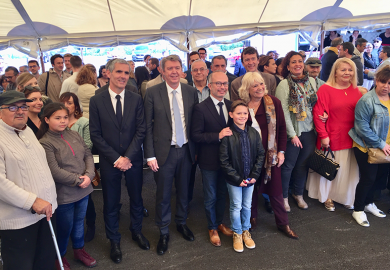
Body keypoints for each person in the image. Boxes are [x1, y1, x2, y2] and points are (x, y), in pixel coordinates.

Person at [90, 58, 148, 263]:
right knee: (111, 202)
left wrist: (128, 157)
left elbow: (141, 130)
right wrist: (116, 159)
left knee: (137, 198)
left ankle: (136, 231)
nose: (124, 76)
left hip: (132, 159)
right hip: (109, 161)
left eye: (127, 72)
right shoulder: (96, 100)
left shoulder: (135, 98)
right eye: (119, 72)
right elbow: (95, 134)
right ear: (108, 73)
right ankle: (114, 240)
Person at [144, 55, 199, 255]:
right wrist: (149, 155)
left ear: (182, 70)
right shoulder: (151, 92)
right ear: (162, 71)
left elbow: (194, 123)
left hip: (186, 151)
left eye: (177, 68)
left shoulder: (191, 92)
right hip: (162, 153)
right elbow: (147, 126)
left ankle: (181, 222)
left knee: (184, 190)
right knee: (163, 193)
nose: (174, 72)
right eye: (170, 68)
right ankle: (164, 230)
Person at [0, 91, 58, 270]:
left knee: (45, 262)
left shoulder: (28, 131)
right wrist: (32, 201)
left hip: (46, 213)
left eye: (23, 106)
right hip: (19, 222)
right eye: (12, 107)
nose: (20, 111)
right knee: (21, 265)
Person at [238, 72, 299, 239]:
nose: (259, 88)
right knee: (250, 188)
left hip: (270, 155)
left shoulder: (274, 103)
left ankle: (283, 223)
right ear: (247, 89)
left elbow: (281, 128)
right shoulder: (241, 106)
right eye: (255, 85)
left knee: (276, 190)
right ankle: (252, 218)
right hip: (248, 155)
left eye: (261, 84)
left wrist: (281, 152)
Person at [38, 103, 96, 269]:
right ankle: (60, 256)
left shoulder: (74, 134)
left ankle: (79, 250)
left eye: (65, 117)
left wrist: (89, 175)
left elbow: (88, 154)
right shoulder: (45, 142)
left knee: (79, 223)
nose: (63, 121)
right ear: (47, 120)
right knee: (64, 227)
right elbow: (54, 171)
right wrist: (79, 180)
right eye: (58, 118)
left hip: (84, 189)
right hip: (64, 194)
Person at [306, 58, 361, 211]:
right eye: (343, 70)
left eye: (350, 70)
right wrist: (323, 135)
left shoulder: (356, 89)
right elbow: (318, 114)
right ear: (335, 72)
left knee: (347, 170)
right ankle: (327, 196)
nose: (347, 73)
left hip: (351, 136)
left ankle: (345, 196)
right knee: (329, 167)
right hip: (331, 136)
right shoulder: (325, 89)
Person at [191, 71, 234, 247]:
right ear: (210, 86)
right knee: (210, 196)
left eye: (225, 83)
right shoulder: (200, 108)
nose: (222, 86)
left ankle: (219, 222)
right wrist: (218, 135)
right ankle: (212, 227)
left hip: (228, 160)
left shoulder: (231, 105)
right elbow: (196, 135)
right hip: (209, 159)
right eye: (218, 83)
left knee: (223, 194)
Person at [275, 51, 319, 212]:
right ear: (288, 66)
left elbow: (316, 105)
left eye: (300, 61)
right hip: (293, 132)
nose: (297, 64)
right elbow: (283, 112)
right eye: (293, 62)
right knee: (288, 166)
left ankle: (298, 194)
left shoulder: (312, 82)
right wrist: (292, 134)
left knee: (303, 165)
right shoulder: (284, 85)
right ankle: (283, 197)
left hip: (309, 130)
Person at [219, 100, 265, 252]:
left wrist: (254, 175)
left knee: (247, 205)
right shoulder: (227, 134)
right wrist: (237, 179)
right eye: (239, 113)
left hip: (250, 178)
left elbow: (260, 154)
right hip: (235, 180)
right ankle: (237, 233)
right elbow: (224, 161)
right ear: (231, 115)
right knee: (236, 206)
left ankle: (246, 230)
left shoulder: (253, 133)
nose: (242, 116)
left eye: (245, 113)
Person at [348, 66, 390, 227]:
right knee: (368, 178)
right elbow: (361, 128)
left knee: (379, 178)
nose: (386, 86)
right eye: (383, 82)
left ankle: (369, 203)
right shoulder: (366, 100)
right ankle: (358, 210)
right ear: (376, 81)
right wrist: (381, 144)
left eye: (389, 83)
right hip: (366, 146)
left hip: (386, 146)